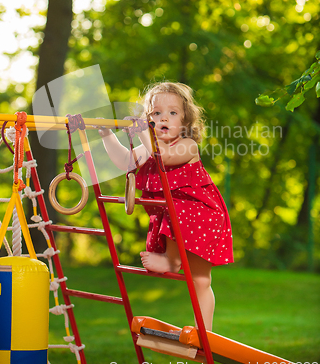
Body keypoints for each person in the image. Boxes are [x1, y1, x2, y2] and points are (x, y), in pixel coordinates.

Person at [98, 82, 233, 331]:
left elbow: (165, 158)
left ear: (185, 121)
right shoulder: (150, 146)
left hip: (202, 214)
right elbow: (125, 161)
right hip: (178, 219)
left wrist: (143, 133)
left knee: (201, 277)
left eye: (172, 113)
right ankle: (205, 332)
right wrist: (107, 136)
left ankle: (173, 263)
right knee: (200, 281)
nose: (163, 118)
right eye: (156, 113)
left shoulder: (187, 145)